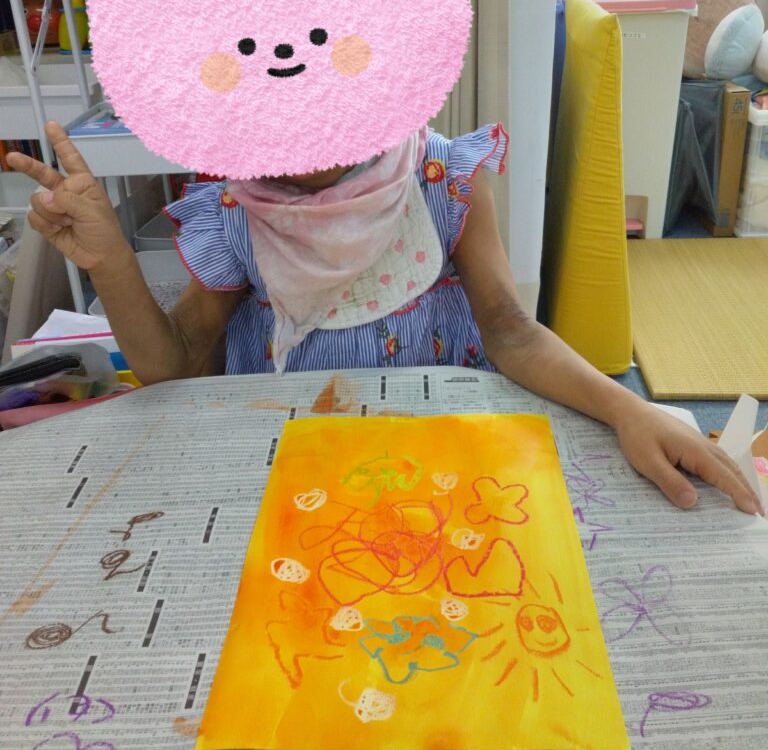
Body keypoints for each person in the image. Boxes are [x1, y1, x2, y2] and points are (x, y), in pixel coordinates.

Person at [7, 119, 762, 519]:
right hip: (293, 471)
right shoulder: (239, 207)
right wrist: (112, 264)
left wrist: (628, 409)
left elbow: (510, 330)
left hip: (449, 465)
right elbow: (173, 366)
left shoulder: (442, 177)